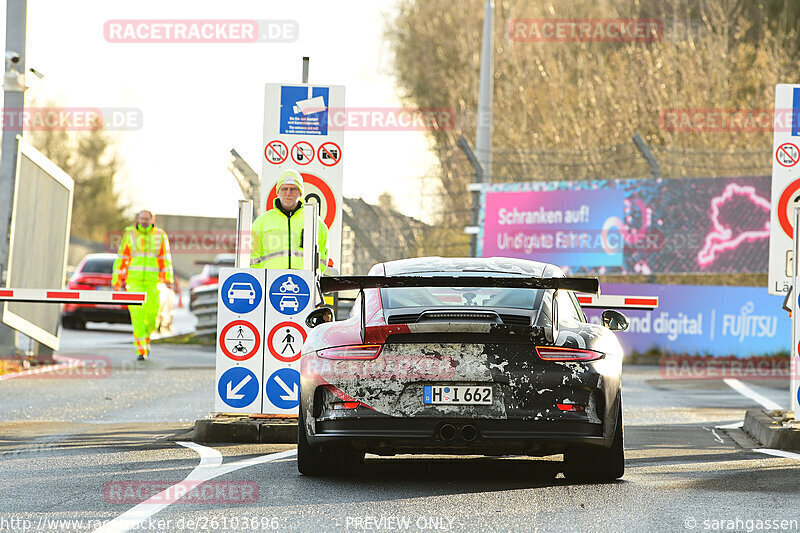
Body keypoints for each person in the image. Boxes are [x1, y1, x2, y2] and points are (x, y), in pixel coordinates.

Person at [112, 210, 174, 361]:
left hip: (153, 283)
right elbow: (122, 258)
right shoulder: (130, 235)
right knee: (138, 317)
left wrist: (168, 279)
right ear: (138, 219)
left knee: (153, 318)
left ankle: (146, 339)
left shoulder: (160, 236)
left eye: (147, 218)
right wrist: (117, 280)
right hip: (134, 282)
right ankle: (141, 350)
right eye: (142, 218)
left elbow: (165, 258)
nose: (144, 221)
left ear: (152, 220)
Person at [250, 169, 328, 273]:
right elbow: (252, 256)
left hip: (304, 282)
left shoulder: (315, 222)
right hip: (269, 282)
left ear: (300, 193)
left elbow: (322, 257)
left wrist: (313, 277)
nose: (288, 193)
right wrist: (260, 278)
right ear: (277, 192)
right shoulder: (261, 222)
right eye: (284, 189)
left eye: (293, 189)